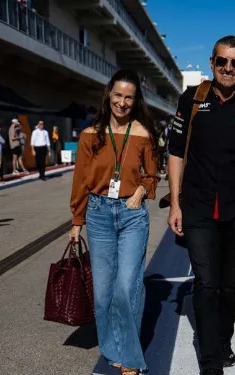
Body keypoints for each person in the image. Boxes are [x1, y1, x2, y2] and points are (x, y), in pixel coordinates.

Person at [167, 35, 235, 375]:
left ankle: (224, 338)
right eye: (222, 61)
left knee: (230, 284)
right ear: (212, 63)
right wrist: (175, 203)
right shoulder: (192, 99)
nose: (227, 68)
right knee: (206, 282)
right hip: (198, 206)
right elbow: (173, 152)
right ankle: (211, 360)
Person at [69, 69, 159, 375]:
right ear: (109, 95)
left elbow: (151, 174)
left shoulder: (144, 133)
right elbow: (81, 179)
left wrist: (142, 191)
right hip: (98, 214)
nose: (122, 102)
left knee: (126, 286)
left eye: (129, 97)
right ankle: (112, 348)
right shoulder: (90, 133)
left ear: (136, 101)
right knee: (104, 291)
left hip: (132, 215)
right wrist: (76, 220)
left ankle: (131, 358)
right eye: (118, 95)